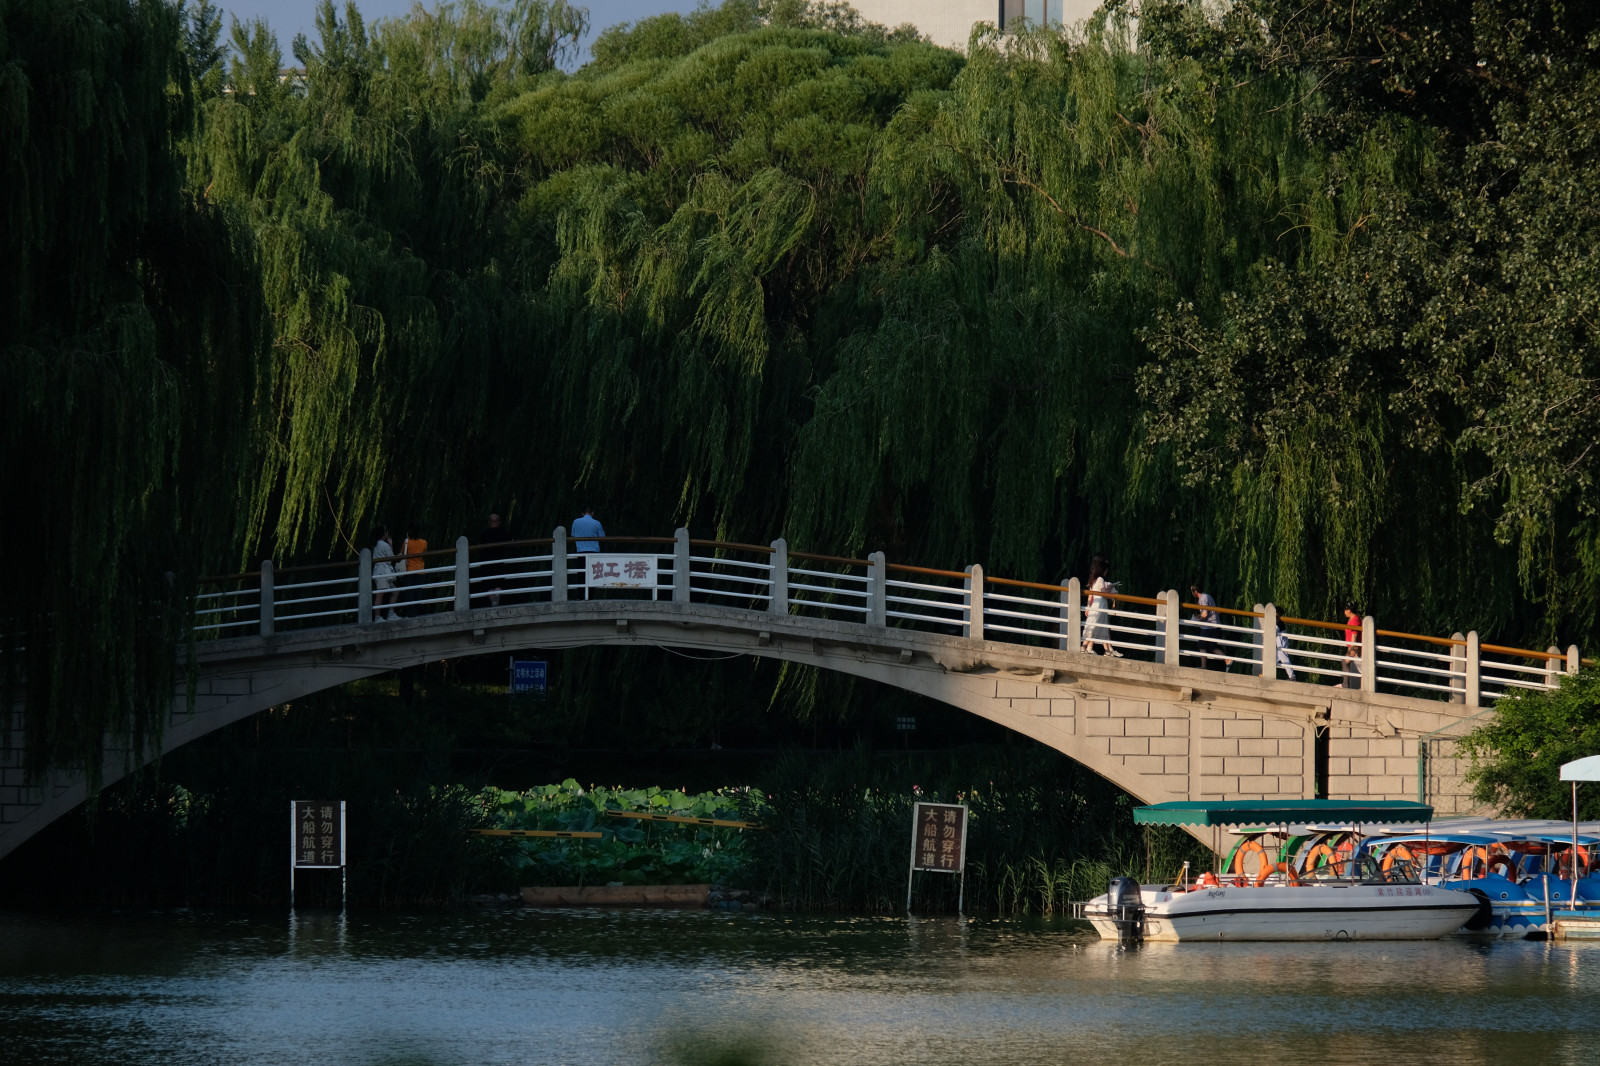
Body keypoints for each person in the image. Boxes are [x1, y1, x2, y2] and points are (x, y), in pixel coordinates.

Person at [1082, 554, 1119, 657]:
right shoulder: (1100, 580)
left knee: (1095, 627)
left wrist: (1088, 607)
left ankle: (1089, 648)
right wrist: (1111, 588)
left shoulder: (1092, 580)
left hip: (1095, 605)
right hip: (1100, 605)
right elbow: (1103, 592)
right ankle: (1084, 647)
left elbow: (1090, 595)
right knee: (1095, 627)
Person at [1189, 582, 1230, 671]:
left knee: (1202, 646)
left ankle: (1204, 666)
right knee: (1212, 647)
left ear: (1195, 591)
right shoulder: (1206, 597)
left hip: (1210, 627)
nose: (1192, 594)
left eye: (1192, 592)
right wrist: (1197, 616)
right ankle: (1227, 660)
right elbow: (1206, 613)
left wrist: (1197, 621)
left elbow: (1205, 614)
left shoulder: (1203, 599)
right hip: (1213, 626)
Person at [477, 513, 512, 607]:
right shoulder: (503, 531)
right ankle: (497, 594)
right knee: (498, 582)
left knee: (489, 583)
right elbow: (509, 544)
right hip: (499, 561)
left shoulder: (484, 533)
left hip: (487, 562)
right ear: (499, 522)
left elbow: (481, 548)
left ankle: (493, 601)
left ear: (489, 522)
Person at [371, 525, 398, 621]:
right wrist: (391, 544)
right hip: (382, 572)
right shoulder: (384, 545)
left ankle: (390, 614)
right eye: (386, 532)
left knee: (395, 591)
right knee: (380, 594)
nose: (387, 533)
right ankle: (377, 617)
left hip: (382, 572)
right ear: (384, 534)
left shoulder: (377, 544)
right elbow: (391, 557)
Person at [399, 524, 427, 616]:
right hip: (420, 570)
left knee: (409, 592)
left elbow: (402, 553)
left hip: (409, 570)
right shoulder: (424, 543)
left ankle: (411, 612)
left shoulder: (406, 542)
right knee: (418, 591)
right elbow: (424, 554)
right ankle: (417, 610)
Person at [1342, 601, 1363, 688]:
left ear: (1349, 610)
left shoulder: (1355, 620)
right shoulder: (1351, 620)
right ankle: (1346, 684)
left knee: (1345, 662)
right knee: (1347, 663)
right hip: (1351, 647)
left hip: (1354, 648)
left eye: (1345, 609)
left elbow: (1354, 635)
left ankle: (1345, 684)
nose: (1344, 612)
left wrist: (1352, 649)